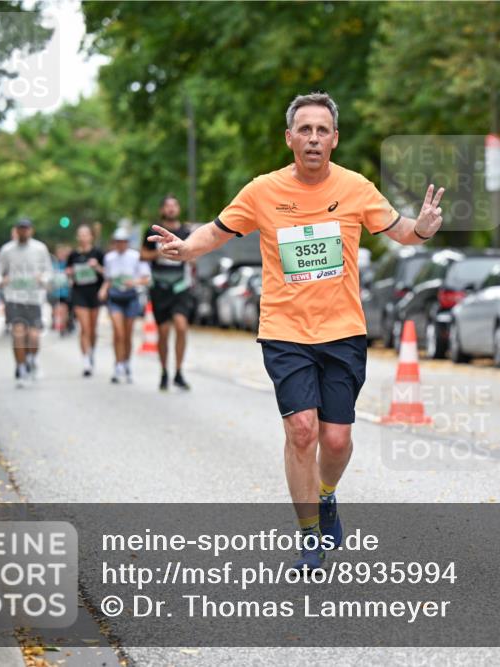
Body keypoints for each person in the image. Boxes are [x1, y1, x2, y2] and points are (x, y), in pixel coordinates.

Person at [148, 92, 444, 570]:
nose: (312, 138)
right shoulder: (262, 191)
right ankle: (309, 534)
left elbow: (401, 231)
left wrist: (425, 227)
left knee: (336, 440)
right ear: (289, 139)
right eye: (304, 130)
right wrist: (185, 248)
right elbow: (218, 230)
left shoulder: (356, 187)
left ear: (334, 139)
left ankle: (326, 495)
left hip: (343, 331)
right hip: (285, 330)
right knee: (302, 431)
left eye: (321, 130)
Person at [141, 195, 194, 391]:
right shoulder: (152, 231)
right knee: (163, 332)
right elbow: (143, 255)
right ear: (162, 210)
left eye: (174, 205)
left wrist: (189, 254)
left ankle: (179, 371)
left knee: (181, 326)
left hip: (180, 285)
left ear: (178, 209)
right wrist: (159, 252)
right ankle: (164, 371)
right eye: (168, 206)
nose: (171, 209)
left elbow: (194, 252)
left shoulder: (185, 231)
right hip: (160, 286)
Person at [0, 218, 52, 388]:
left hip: (34, 298)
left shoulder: (40, 248)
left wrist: (43, 278)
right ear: (16, 230)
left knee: (33, 336)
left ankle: (31, 359)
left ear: (31, 230)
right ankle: (20, 368)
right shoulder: (7, 250)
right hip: (14, 298)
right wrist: (0, 280)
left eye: (26, 229)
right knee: (18, 333)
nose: (23, 232)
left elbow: (49, 270)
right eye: (20, 229)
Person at [99, 228, 150, 384]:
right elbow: (108, 278)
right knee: (118, 333)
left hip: (130, 297)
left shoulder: (135, 257)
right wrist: (103, 289)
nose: (121, 245)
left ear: (127, 243)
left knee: (127, 335)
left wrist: (133, 282)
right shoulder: (109, 258)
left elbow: (146, 278)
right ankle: (118, 364)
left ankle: (126, 363)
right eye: (118, 242)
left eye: (123, 242)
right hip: (115, 297)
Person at [66, 224, 106, 377]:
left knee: (92, 329)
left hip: (94, 293)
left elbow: (107, 273)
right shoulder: (73, 255)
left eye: (86, 234)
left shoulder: (98, 253)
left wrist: (97, 267)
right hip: (79, 293)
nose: (83, 237)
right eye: (80, 234)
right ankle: (85, 361)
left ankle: (91, 352)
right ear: (77, 237)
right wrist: (69, 273)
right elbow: (69, 274)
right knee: (84, 327)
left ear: (91, 237)